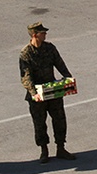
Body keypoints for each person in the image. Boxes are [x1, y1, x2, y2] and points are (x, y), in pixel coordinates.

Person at [19, 22, 76, 163]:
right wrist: (33, 93)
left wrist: (68, 79)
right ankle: (44, 150)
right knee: (39, 123)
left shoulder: (49, 48)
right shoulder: (26, 53)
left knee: (60, 119)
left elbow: (60, 64)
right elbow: (26, 76)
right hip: (37, 94)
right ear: (34, 35)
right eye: (42, 33)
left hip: (52, 90)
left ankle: (61, 148)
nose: (45, 34)